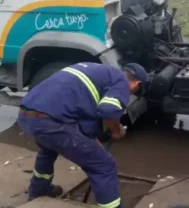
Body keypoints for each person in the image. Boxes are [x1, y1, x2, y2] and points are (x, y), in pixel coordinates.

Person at [18, 62, 148, 208]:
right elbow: (108, 110)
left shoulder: (99, 73)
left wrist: (94, 144)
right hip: (52, 123)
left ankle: (38, 191)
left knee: (48, 150)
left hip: (27, 114)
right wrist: (117, 130)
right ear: (136, 84)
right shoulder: (121, 81)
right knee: (104, 165)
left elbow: (81, 121)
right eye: (133, 92)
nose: (129, 94)